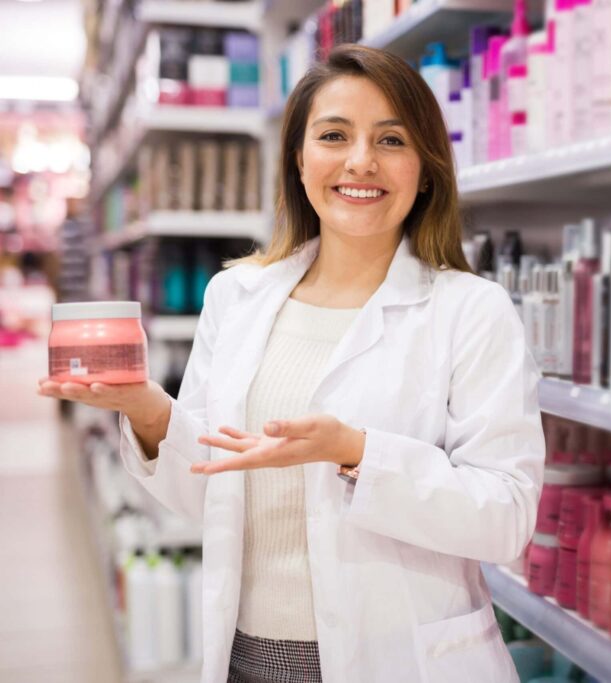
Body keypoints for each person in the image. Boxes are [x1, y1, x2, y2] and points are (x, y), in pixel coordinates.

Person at [39, 44, 544, 683]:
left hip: (401, 662)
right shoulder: (238, 295)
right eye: (334, 135)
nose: (361, 161)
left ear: (426, 168)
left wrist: (356, 452)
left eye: (391, 139)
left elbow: (506, 519)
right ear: (299, 159)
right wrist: (146, 410)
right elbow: (203, 492)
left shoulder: (472, 310)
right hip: (249, 659)